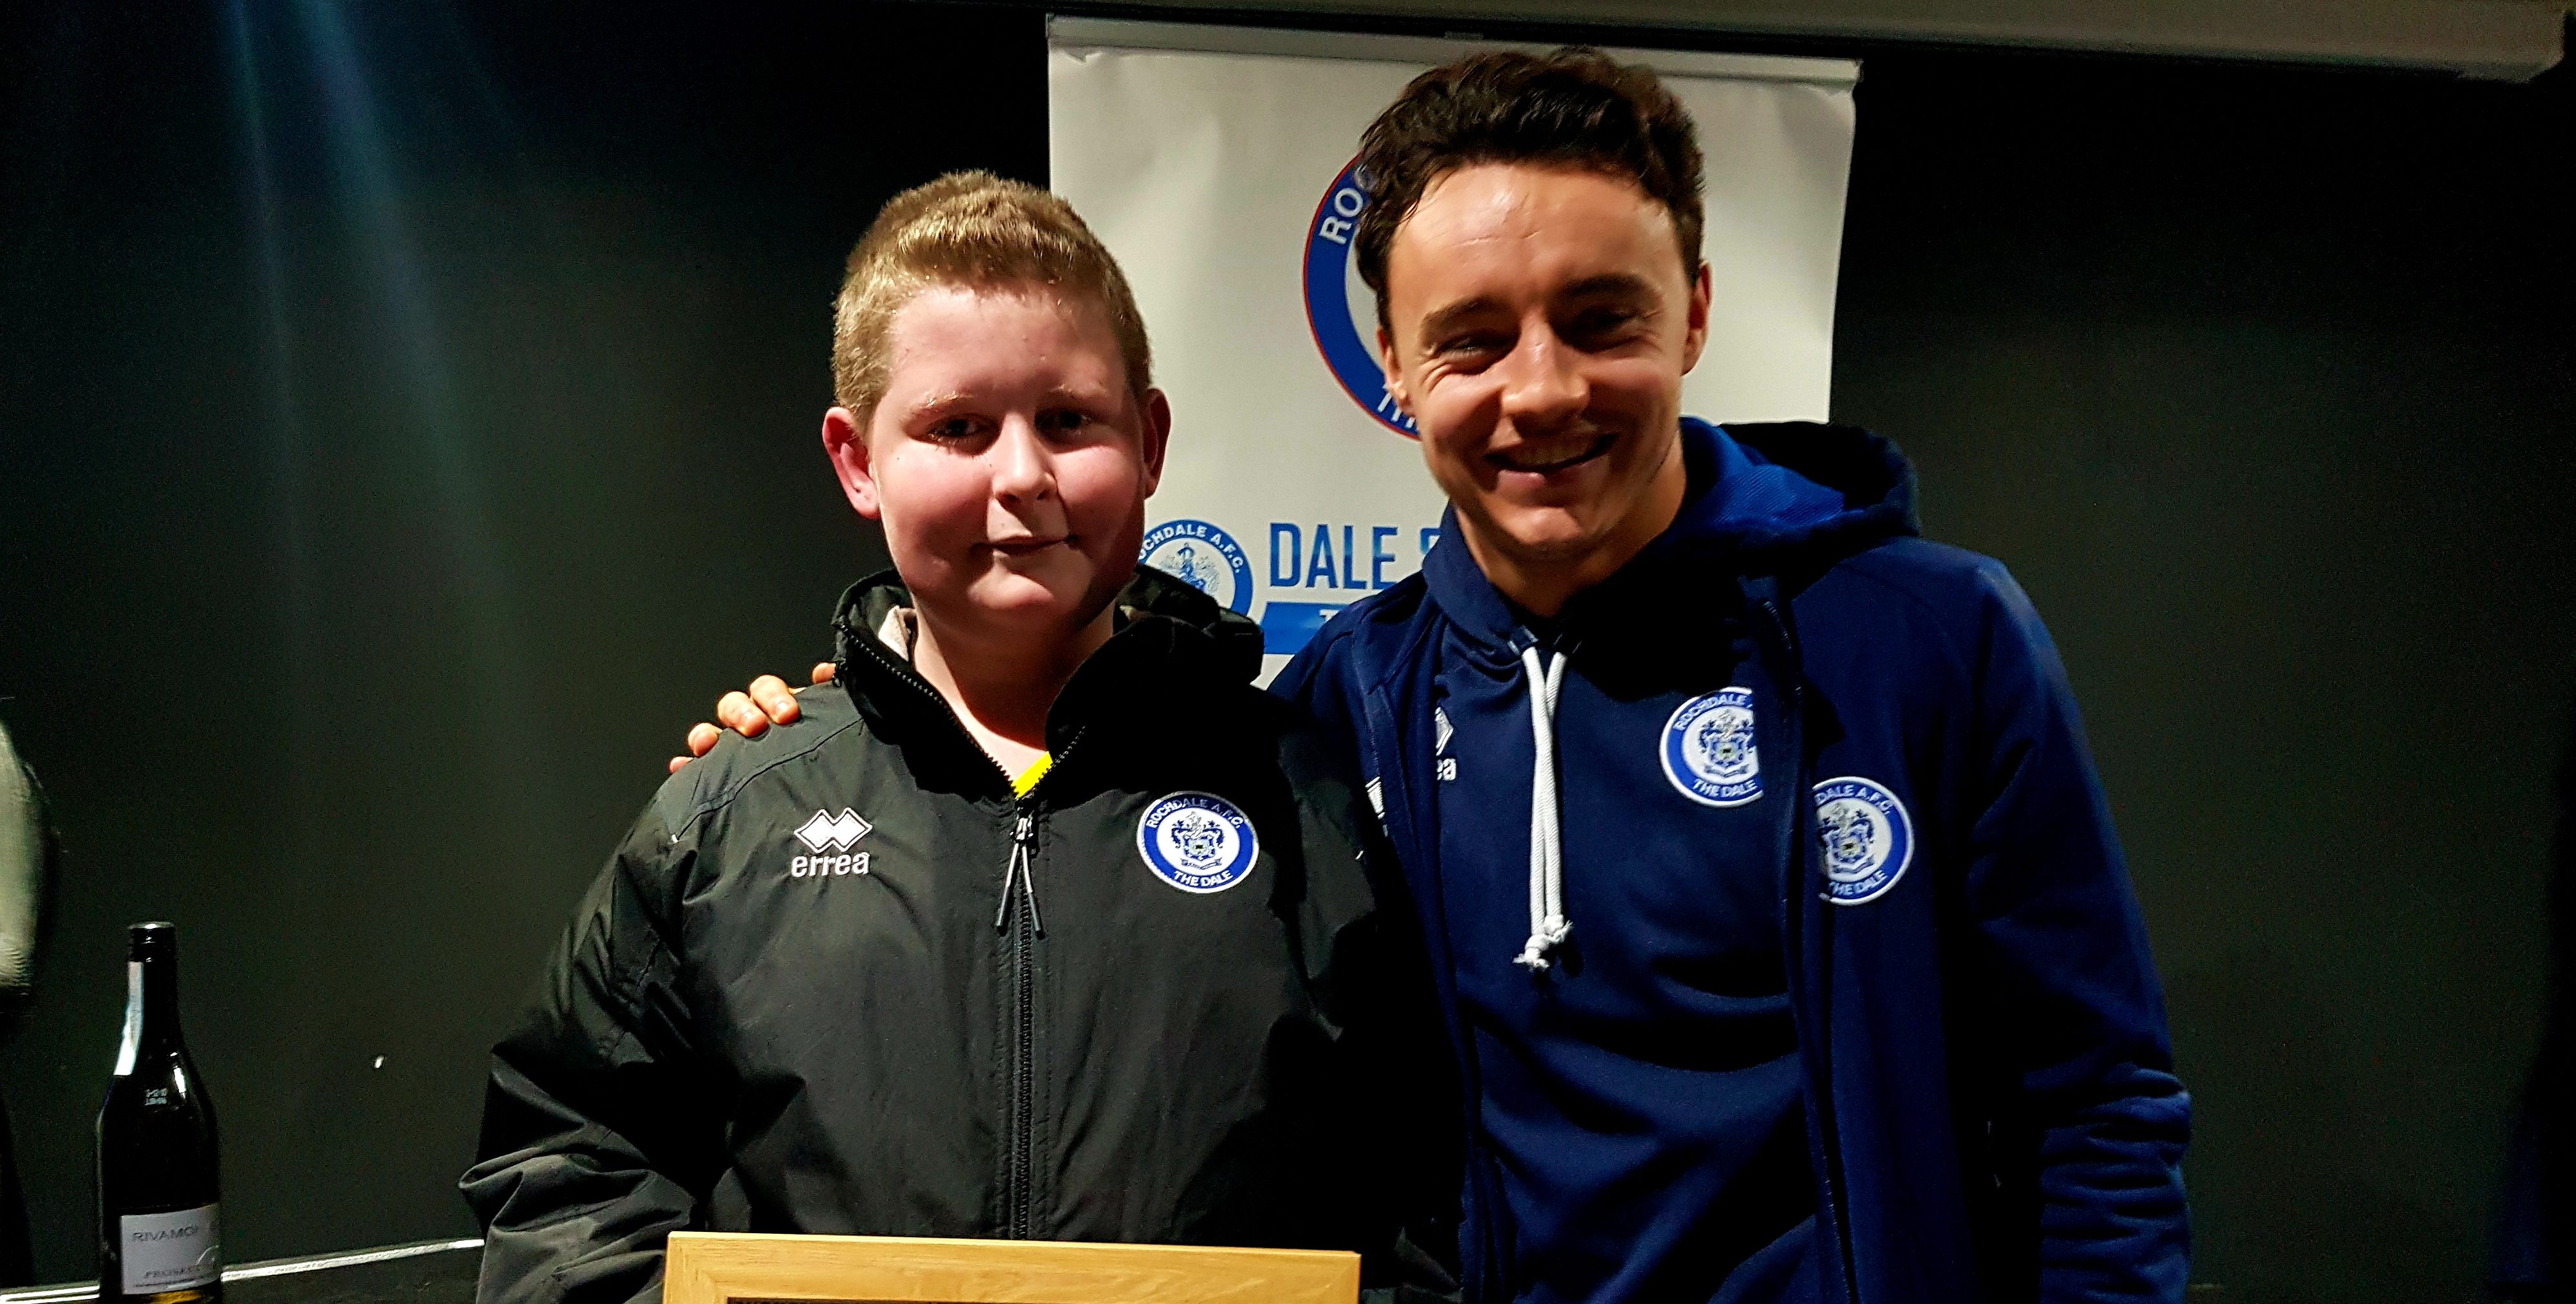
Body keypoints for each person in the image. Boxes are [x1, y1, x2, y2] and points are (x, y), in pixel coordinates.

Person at [693, 50, 2192, 1303]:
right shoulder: (1342, 705)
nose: (1542, 389)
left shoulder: (1929, 642)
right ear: (1397, 369)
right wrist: (844, 730)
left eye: (1600, 319)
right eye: (1472, 341)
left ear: (1694, 312)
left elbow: (2098, 1108)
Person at [465, 173, 1456, 1304]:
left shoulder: (1300, 795)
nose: (1022, 475)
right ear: (857, 460)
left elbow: (1427, 1194)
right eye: (957, 427)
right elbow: (565, 1165)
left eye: (1068, 419)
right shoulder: (732, 815)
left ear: (1148, 441)